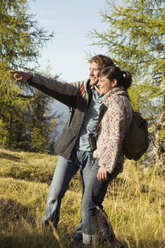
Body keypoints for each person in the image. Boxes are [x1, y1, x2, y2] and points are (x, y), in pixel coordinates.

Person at [10, 55, 115, 242]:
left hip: (95, 156)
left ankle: (84, 239)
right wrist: (31, 77)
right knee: (55, 194)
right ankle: (49, 233)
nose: (90, 72)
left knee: (91, 202)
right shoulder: (82, 88)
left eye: (95, 69)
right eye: (90, 68)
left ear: (105, 72)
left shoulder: (114, 96)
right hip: (71, 150)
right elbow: (56, 85)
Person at [81, 66, 133, 247]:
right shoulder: (117, 99)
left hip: (106, 161)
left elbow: (115, 137)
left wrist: (105, 164)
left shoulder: (118, 104)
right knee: (95, 205)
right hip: (108, 159)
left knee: (88, 205)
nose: (98, 83)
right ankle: (114, 243)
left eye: (102, 81)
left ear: (114, 83)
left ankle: (88, 243)